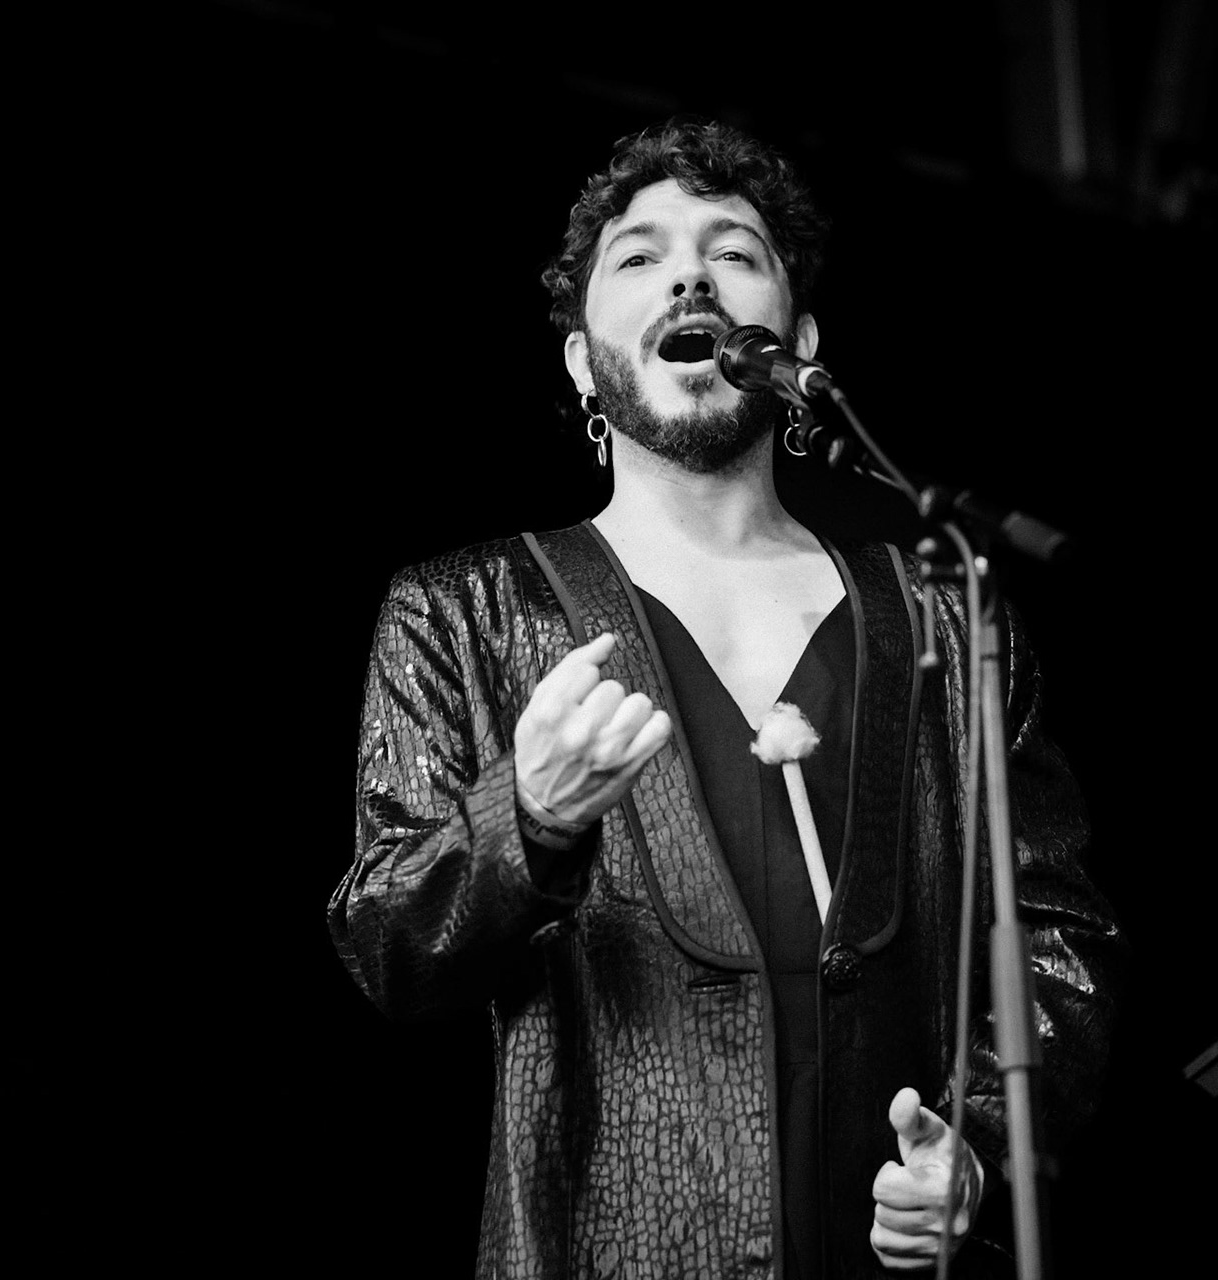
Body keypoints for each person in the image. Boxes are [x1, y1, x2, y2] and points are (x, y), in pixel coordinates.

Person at [327, 118, 1121, 1279]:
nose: (691, 270)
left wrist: (982, 1147)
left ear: (798, 342)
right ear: (580, 361)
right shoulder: (462, 608)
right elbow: (386, 945)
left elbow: (1060, 939)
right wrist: (527, 816)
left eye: (733, 250)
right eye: (639, 256)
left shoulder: (949, 613)